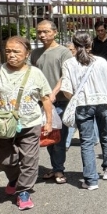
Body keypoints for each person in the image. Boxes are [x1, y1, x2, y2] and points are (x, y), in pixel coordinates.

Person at [0, 36, 53, 210]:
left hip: (30, 123)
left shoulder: (36, 73)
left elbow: (46, 98)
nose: (11, 55)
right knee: (3, 160)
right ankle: (14, 177)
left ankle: (23, 191)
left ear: (27, 53)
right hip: (1, 124)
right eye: (8, 51)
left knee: (29, 160)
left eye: (16, 52)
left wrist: (48, 121)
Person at [60, 31, 107, 190]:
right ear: (90, 44)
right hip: (104, 103)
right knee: (106, 135)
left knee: (86, 141)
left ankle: (91, 180)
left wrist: (76, 98)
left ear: (73, 45)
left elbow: (66, 89)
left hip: (82, 105)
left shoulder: (68, 64)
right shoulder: (101, 62)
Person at [30, 19, 72, 184]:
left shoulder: (64, 52)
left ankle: (59, 169)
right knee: (47, 136)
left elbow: (65, 75)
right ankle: (55, 167)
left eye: (46, 31)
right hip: (41, 103)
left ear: (55, 32)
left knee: (59, 137)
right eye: (39, 32)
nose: (42, 35)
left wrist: (54, 92)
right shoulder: (35, 53)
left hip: (60, 101)